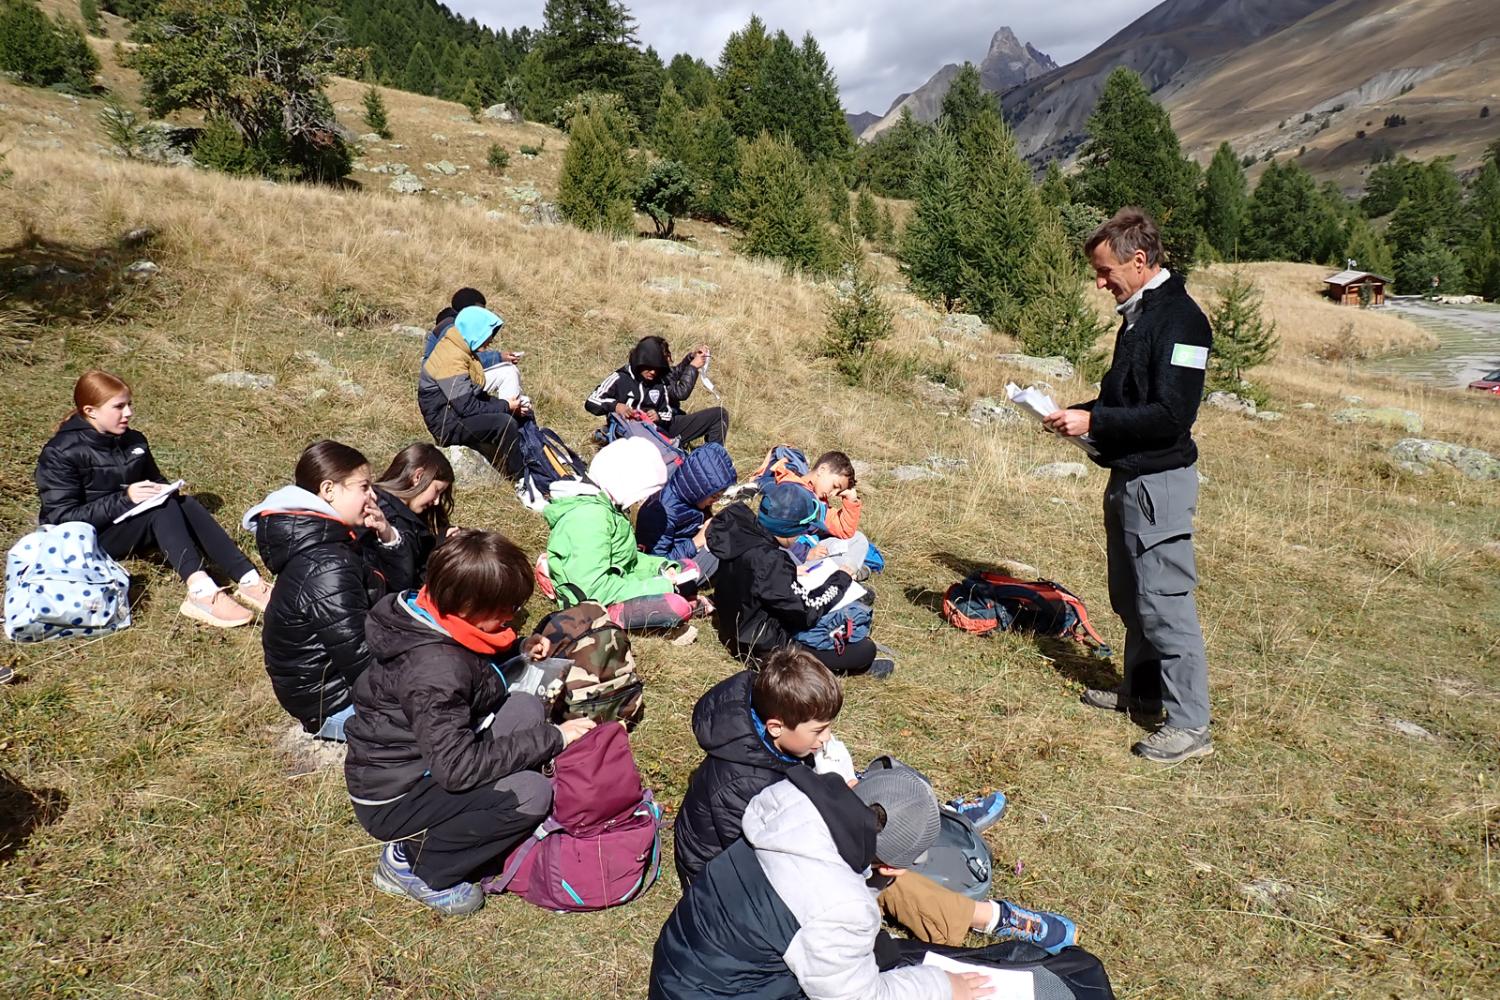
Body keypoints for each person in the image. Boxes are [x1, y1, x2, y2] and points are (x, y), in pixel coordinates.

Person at [673, 649, 1074, 954]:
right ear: (777, 726)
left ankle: (936, 821)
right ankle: (987, 917)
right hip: (734, 884)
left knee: (882, 813)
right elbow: (769, 857)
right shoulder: (742, 782)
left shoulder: (766, 732)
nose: (824, 739)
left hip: (766, 847)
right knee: (882, 865)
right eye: (819, 730)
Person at [344, 530, 596, 916]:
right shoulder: (433, 670)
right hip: (394, 795)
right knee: (531, 794)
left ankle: (474, 816)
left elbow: (471, 668)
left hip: (416, 763)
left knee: (526, 708)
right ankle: (415, 865)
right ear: (466, 604)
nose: (511, 616)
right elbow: (457, 769)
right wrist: (554, 737)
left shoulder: (432, 616)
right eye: (505, 609)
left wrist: (518, 649)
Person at [1042, 207, 1214, 764]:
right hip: (1128, 477)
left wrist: (1095, 423)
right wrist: (1080, 412)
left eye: (1105, 271)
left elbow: (1170, 415)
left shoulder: (1183, 324)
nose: (1099, 282)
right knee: (1131, 597)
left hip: (1159, 484)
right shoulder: (1136, 313)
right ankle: (1140, 694)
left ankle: (1190, 726)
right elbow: (1126, 402)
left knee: (1165, 603)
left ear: (1139, 262)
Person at [651, 764, 1002, 1000]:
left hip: (681, 969)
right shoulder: (839, 909)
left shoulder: (791, 808)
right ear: (893, 869)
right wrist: (942, 986)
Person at [35, 370, 270, 628]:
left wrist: (163, 489)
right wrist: (126, 499)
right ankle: (200, 592)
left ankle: (249, 581)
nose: (128, 413)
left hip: (128, 523)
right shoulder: (60, 452)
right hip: (87, 539)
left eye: (129, 404)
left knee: (184, 503)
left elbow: (155, 481)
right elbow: (62, 518)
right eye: (119, 407)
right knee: (161, 509)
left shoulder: (135, 440)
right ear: (91, 411)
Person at [243, 440, 414, 742]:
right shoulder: (325, 564)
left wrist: (386, 534)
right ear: (329, 490)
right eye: (364, 486)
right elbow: (362, 658)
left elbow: (395, 590)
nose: (373, 496)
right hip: (333, 703)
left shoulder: (337, 540)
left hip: (338, 685)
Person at [706, 484, 884, 676]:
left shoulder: (743, 534)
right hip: (763, 646)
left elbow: (761, 582)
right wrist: (840, 579)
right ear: (790, 529)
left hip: (738, 626)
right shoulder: (769, 561)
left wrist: (790, 571)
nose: (801, 537)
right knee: (865, 651)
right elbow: (808, 610)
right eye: (801, 532)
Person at [542, 438, 697, 630]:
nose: (640, 500)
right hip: (589, 604)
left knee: (686, 568)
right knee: (677, 607)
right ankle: (611, 616)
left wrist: (662, 567)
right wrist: (661, 585)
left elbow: (626, 559)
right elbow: (593, 589)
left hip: (615, 582)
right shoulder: (589, 518)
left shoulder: (609, 508)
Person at [418, 303, 538, 510]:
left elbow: (473, 396)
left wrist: (510, 406)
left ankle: (534, 455)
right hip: (446, 423)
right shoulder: (450, 358)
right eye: (489, 334)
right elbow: (467, 407)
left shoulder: (462, 348)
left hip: (455, 412)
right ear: (476, 331)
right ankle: (521, 480)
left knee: (521, 410)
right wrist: (505, 407)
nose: (491, 340)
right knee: (504, 422)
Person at [584, 335, 729, 448]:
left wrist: (658, 416)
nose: (653, 372)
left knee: (720, 414)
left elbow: (667, 412)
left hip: (660, 431)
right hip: (630, 436)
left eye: (658, 367)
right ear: (641, 361)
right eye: (650, 367)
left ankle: (710, 461)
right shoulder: (620, 378)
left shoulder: (659, 380)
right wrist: (616, 406)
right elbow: (592, 402)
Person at [759, 448, 873, 579]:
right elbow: (774, 535)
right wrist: (805, 553)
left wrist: (851, 499)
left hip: (813, 549)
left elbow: (844, 530)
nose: (833, 494)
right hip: (792, 558)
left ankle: (847, 575)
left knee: (858, 539)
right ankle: (846, 576)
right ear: (822, 470)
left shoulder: (819, 501)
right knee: (842, 561)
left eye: (839, 491)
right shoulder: (791, 492)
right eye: (835, 486)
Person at [635, 443, 736, 580]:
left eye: (719, 496)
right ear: (698, 489)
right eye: (714, 496)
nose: (716, 501)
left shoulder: (690, 497)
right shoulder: (660, 513)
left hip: (686, 548)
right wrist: (696, 542)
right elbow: (655, 563)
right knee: (726, 546)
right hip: (665, 573)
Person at [374, 443, 457, 587]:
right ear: (417, 477)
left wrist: (442, 541)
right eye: (437, 490)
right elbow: (404, 577)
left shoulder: (402, 513)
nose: (437, 501)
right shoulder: (383, 516)